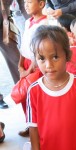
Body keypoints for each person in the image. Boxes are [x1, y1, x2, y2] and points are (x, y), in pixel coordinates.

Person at [17, 0, 47, 137]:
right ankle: (31, 125)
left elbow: (39, 50)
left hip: (36, 66)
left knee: (36, 97)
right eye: (25, 2)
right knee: (25, 98)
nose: (26, 5)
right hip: (26, 64)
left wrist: (28, 72)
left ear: (41, 4)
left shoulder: (45, 23)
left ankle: (41, 129)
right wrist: (20, 64)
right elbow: (24, 45)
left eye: (29, 2)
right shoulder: (28, 22)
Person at [0, 0, 28, 109]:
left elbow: (23, 4)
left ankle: (25, 95)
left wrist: (32, 21)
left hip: (4, 27)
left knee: (17, 61)